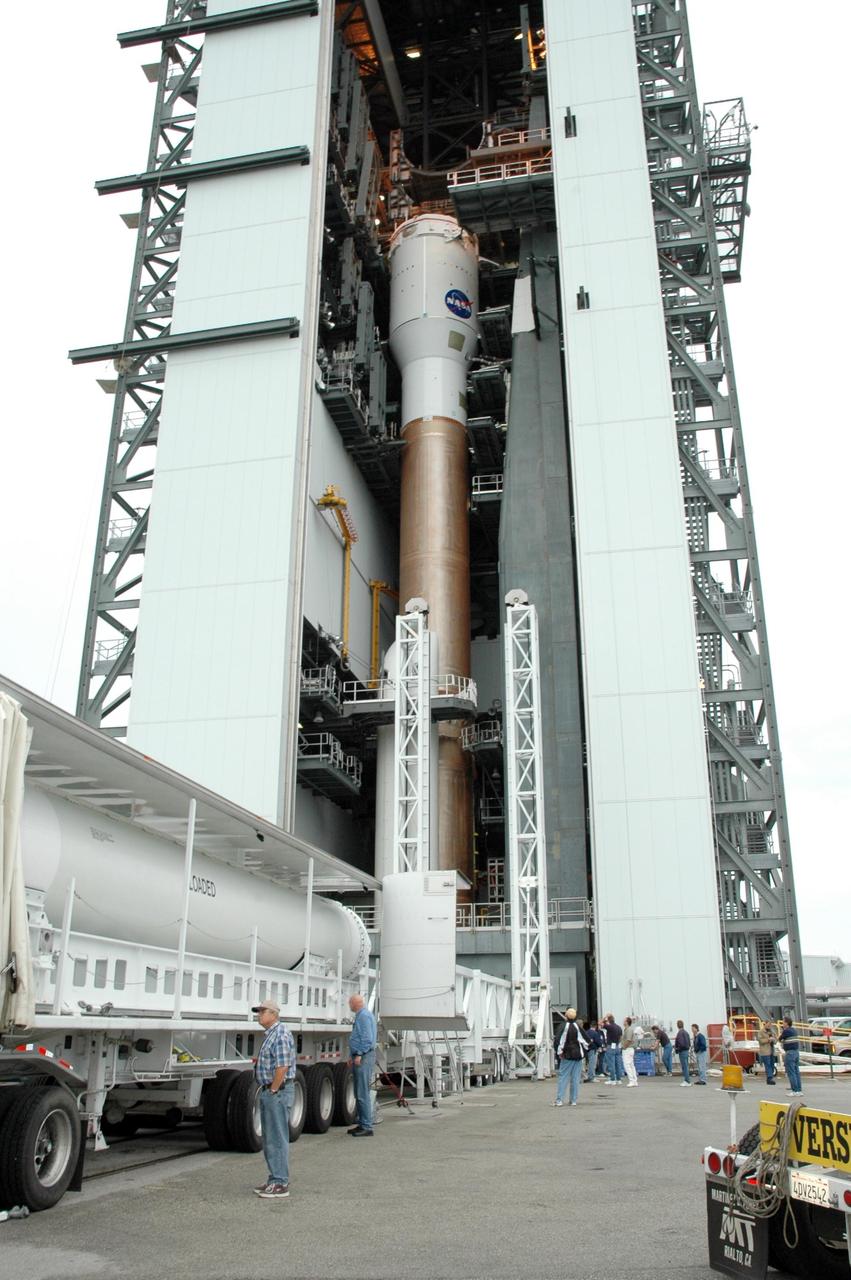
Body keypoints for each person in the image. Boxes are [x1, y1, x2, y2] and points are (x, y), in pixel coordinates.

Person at [252, 999, 297, 1198]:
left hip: (277, 1092)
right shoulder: (271, 1034)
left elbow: (282, 1066)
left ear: (273, 1014)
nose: (259, 1015)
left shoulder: (280, 1035)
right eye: (258, 1012)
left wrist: (273, 1090)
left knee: (277, 1138)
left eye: (262, 1012)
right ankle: (274, 1178)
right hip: (271, 1090)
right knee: (270, 1138)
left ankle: (280, 1182)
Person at [348, 993, 378, 1135]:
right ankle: (362, 1123)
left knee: (362, 1092)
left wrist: (359, 1053)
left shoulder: (364, 1016)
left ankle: (366, 1126)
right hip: (361, 1056)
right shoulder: (362, 1015)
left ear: (356, 1003)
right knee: (358, 1092)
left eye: (350, 1003)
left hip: (364, 1057)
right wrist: (352, 1055)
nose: (349, 1005)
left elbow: (367, 1038)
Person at [553, 1007, 588, 1106]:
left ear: (566, 1016)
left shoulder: (563, 1026)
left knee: (563, 1077)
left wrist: (559, 1052)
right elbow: (586, 1040)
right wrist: (584, 1052)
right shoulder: (577, 1027)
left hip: (567, 1055)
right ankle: (573, 1100)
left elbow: (559, 1041)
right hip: (578, 1056)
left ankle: (559, 1100)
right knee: (575, 1079)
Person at [779, 1016, 803, 1096]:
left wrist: (782, 1038)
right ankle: (799, 1090)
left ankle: (794, 1091)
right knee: (796, 1072)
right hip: (796, 1052)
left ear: (786, 1023)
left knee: (791, 1072)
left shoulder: (786, 1031)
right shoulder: (794, 1030)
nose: (782, 1024)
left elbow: (780, 1039)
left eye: (783, 1022)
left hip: (790, 1053)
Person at [758, 1020, 777, 1085]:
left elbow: (776, 1040)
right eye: (768, 1025)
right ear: (765, 1024)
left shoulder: (772, 1031)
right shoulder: (761, 1032)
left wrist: (774, 1039)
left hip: (771, 1050)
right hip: (765, 1051)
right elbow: (760, 1041)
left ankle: (769, 1078)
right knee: (768, 1065)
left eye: (770, 1025)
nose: (769, 1026)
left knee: (772, 1065)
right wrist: (768, 1040)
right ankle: (770, 1078)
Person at [622, 1017, 639, 1087]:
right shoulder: (628, 1029)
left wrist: (624, 1047)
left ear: (626, 1022)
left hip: (628, 1049)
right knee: (631, 1065)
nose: (623, 1022)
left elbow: (628, 1040)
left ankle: (631, 1080)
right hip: (630, 1049)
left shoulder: (628, 1030)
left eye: (624, 1020)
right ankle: (634, 1080)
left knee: (627, 1065)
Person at [674, 1020, 692, 1086]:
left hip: (682, 1051)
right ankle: (687, 1080)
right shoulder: (686, 1032)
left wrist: (677, 1048)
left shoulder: (680, 1033)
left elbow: (681, 1044)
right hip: (686, 1050)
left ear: (677, 1025)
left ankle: (687, 1081)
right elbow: (689, 1043)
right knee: (686, 1066)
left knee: (684, 1066)